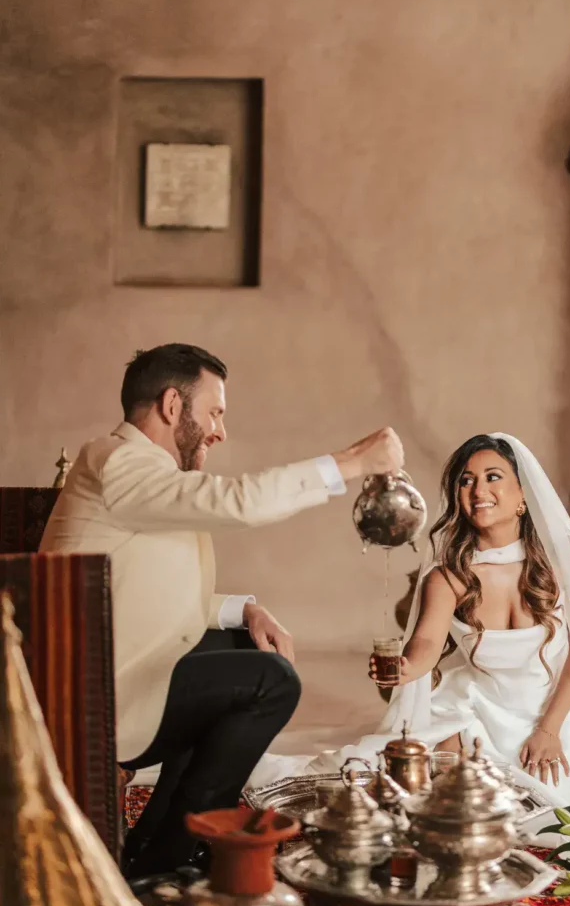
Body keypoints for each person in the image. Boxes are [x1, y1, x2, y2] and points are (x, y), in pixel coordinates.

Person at [40, 342, 404, 877]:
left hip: (115, 670)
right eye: (214, 412)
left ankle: (154, 843)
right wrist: (351, 463)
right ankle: (171, 856)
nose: (220, 431)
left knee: (245, 647)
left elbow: (142, 588)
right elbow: (238, 502)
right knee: (271, 682)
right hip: (93, 698)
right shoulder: (118, 461)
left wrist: (242, 611)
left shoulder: (140, 474)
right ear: (172, 406)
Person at [249, 433, 570, 826]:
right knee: (418, 791)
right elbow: (426, 643)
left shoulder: (561, 564)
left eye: (493, 477)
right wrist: (405, 668)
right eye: (466, 481)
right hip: (478, 709)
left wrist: (549, 730)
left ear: (522, 496)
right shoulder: (449, 577)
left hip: (564, 708)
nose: (478, 490)